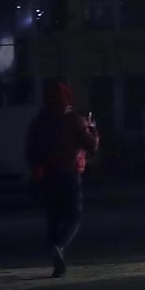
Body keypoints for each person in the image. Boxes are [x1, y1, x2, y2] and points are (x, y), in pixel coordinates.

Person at [25, 81, 100, 278]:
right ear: (67, 97)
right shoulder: (74, 120)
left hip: (48, 174)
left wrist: (36, 171)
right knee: (74, 215)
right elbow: (91, 146)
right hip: (69, 173)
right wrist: (92, 128)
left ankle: (57, 263)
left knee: (53, 217)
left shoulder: (39, 122)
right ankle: (59, 245)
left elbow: (30, 151)